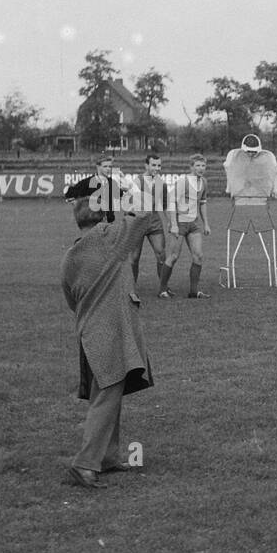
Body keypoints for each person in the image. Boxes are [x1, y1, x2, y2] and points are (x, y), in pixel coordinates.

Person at [60, 194, 164, 489]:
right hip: (112, 330)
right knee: (106, 396)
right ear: (104, 215)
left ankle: (106, 458)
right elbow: (143, 215)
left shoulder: (70, 256)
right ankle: (84, 464)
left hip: (89, 331)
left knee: (107, 393)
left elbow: (71, 298)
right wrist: (128, 194)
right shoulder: (108, 237)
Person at [158, 154, 212, 299]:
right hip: (180, 223)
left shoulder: (204, 182)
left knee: (198, 256)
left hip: (194, 224)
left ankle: (193, 292)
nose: (201, 168)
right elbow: (171, 203)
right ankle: (162, 290)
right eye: (198, 165)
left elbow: (203, 203)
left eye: (203, 165)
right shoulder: (183, 181)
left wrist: (206, 223)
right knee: (174, 256)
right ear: (191, 167)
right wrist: (174, 224)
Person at [131, 153, 168, 286]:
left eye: (159, 165)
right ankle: (131, 288)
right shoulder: (137, 182)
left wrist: (171, 222)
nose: (157, 168)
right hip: (138, 223)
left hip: (154, 223)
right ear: (146, 165)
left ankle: (163, 288)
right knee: (134, 258)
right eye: (153, 165)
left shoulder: (161, 184)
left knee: (161, 255)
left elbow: (164, 206)